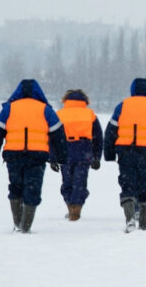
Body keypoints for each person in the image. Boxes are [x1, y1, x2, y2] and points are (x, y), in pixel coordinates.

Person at [0, 79, 67, 233]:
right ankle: (25, 227)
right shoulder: (45, 110)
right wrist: (61, 157)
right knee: (33, 189)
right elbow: (59, 135)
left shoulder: (9, 109)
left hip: (13, 155)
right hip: (37, 156)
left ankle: (17, 224)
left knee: (15, 187)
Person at [104, 78, 146, 232]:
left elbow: (110, 131)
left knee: (127, 185)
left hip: (125, 152)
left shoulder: (122, 106)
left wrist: (109, 153)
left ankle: (129, 219)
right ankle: (144, 223)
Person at [51, 89, 103, 221]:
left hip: (65, 149)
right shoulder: (90, 114)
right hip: (84, 149)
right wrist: (97, 157)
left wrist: (52, 157)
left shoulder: (59, 114)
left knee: (67, 181)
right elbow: (98, 137)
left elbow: (52, 137)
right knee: (80, 182)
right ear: (84, 100)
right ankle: (77, 208)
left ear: (66, 100)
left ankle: (70, 206)